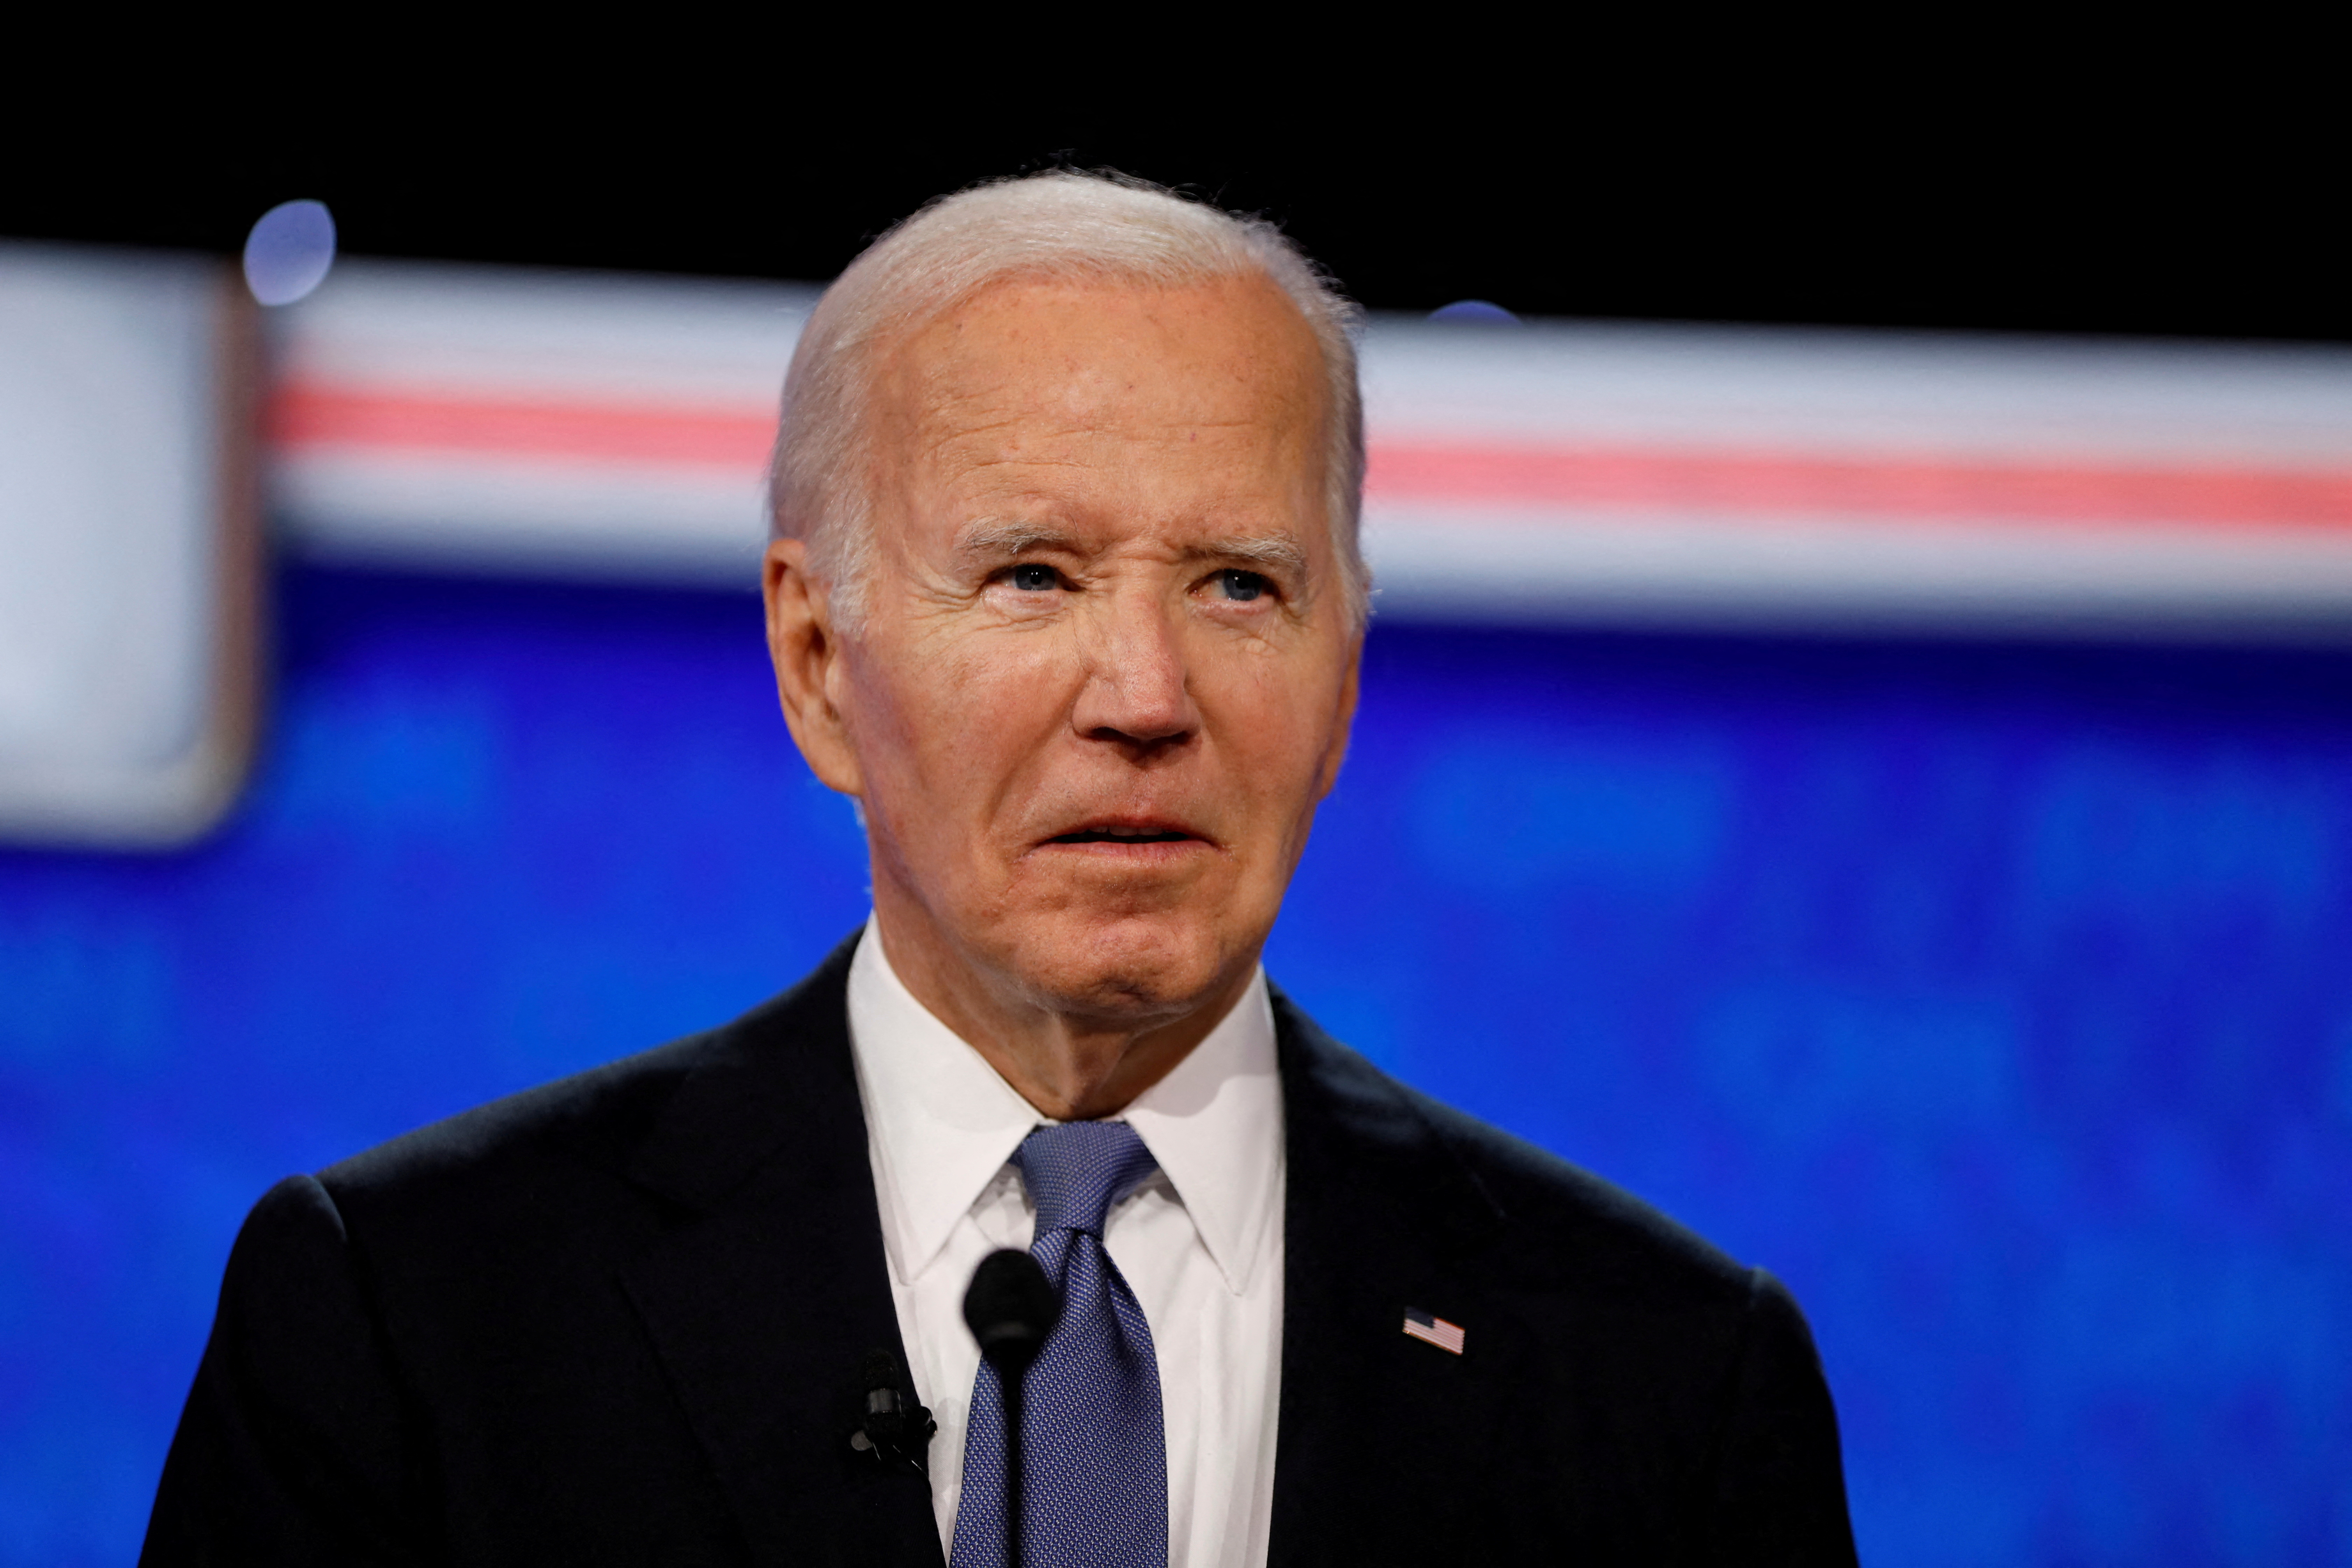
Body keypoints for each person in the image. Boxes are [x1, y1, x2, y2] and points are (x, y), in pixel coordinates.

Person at [142, 172, 1857, 1567]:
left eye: (1241, 586)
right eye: (1034, 575)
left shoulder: (1668, 1380)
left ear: (1343, 684)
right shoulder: (415, 1322)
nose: (1146, 697)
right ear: (820, 664)